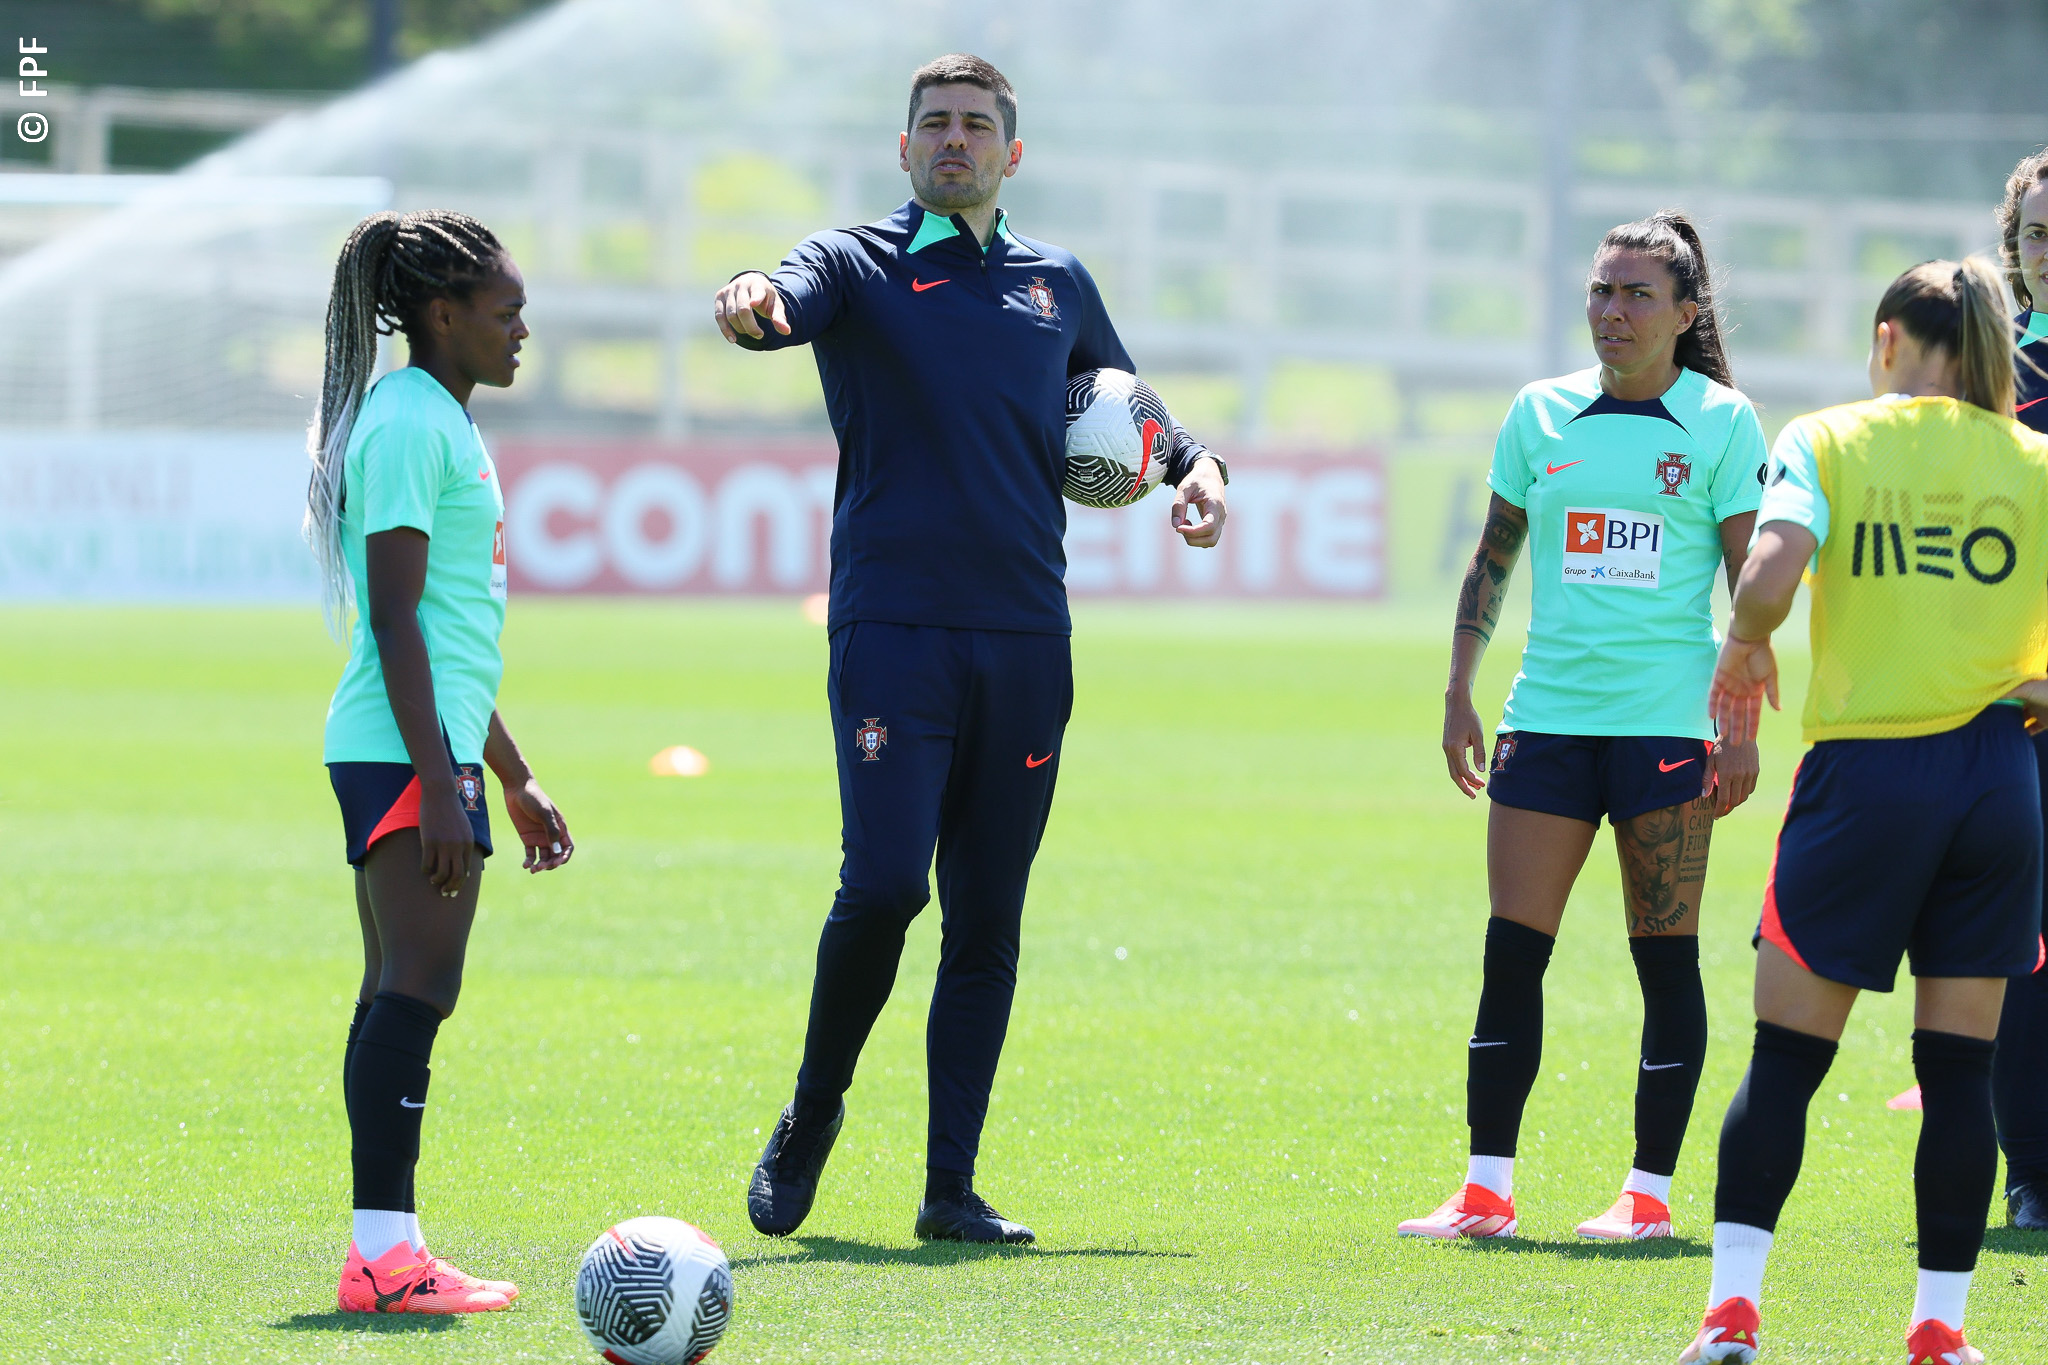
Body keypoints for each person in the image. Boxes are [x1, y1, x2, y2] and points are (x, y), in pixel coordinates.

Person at [711, 54, 1228, 1245]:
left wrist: (1198, 475)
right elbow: (772, 296)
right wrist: (745, 293)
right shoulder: (854, 262)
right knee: (887, 885)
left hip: (1026, 640)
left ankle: (950, 1190)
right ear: (904, 151)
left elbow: (1141, 413)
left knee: (986, 917)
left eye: (976, 125)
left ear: (1012, 151)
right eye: (934, 124)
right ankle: (810, 1116)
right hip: (893, 628)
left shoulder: (1058, 283)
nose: (954, 139)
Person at [1681, 258, 2048, 1365]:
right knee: (1956, 1074)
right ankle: (1938, 1329)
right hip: (1996, 783)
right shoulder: (2035, 458)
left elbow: (1767, 571)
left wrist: (1744, 649)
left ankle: (1732, 1314)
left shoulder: (1828, 437)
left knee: (1785, 1061)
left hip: (1865, 781)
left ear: (1885, 337)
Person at [1400, 212, 1765, 1243]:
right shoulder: (1538, 413)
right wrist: (1457, 688)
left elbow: (1749, 589)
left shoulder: (1723, 422)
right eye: (1601, 290)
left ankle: (1645, 1198)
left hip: (1664, 730)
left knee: (1665, 962)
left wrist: (1736, 728)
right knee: (1509, 956)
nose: (1611, 311)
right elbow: (1491, 560)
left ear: (1683, 313)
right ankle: (1484, 1190)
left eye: (1636, 294)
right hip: (1545, 724)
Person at [306, 210, 573, 1313]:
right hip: (399, 750)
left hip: (417, 744)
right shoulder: (412, 422)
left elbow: (454, 637)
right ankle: (385, 1259)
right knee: (415, 991)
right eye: (505, 312)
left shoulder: (436, 419)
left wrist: (507, 774)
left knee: (401, 992)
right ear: (442, 313)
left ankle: (387, 1252)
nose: (523, 331)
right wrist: (439, 781)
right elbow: (396, 619)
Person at [1993, 148, 2048, 1231]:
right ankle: (2033, 1171)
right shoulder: (1991, 385)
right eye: (2036, 232)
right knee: (2022, 950)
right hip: (2019, 705)